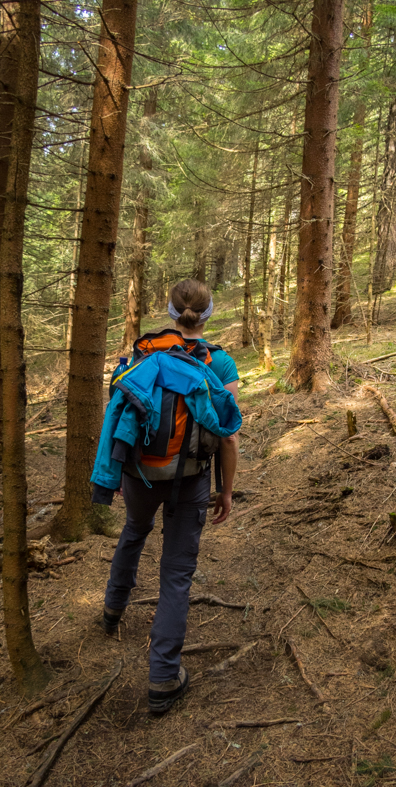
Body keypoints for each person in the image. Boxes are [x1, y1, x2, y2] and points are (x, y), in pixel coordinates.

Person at [101, 279, 239, 713]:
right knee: (176, 574)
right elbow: (229, 436)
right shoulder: (220, 362)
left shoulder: (144, 352)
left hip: (140, 474)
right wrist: (226, 490)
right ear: (209, 312)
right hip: (192, 478)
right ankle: (163, 678)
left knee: (135, 530)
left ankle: (111, 610)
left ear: (169, 311)